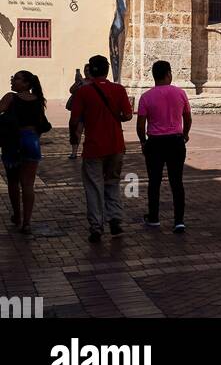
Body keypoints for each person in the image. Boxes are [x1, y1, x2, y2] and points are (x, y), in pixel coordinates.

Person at [68, 54, 133, 242]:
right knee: (113, 183)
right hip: (116, 145)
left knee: (94, 187)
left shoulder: (83, 92)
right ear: (106, 70)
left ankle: (96, 226)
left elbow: (74, 120)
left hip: (94, 147)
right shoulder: (118, 89)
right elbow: (127, 115)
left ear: (91, 70)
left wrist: (74, 137)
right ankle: (115, 220)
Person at [136, 60, 192, 233]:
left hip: (155, 142)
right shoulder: (180, 93)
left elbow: (140, 125)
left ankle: (154, 217)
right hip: (175, 141)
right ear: (168, 73)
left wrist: (143, 142)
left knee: (154, 181)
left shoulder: (146, 97)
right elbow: (188, 117)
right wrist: (184, 134)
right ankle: (179, 221)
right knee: (177, 182)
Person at [0, 72, 51, 235]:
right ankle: (27, 222)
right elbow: (41, 123)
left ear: (26, 83)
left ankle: (17, 215)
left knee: (13, 182)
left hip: (13, 141)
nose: (12, 80)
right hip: (32, 140)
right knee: (28, 184)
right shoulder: (38, 100)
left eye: (16, 78)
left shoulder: (10, 98)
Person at [65, 64, 91, 160]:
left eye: (88, 70)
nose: (86, 72)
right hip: (79, 110)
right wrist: (77, 82)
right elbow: (71, 90)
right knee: (76, 132)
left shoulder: (93, 82)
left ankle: (87, 151)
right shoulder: (80, 81)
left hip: (90, 111)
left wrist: (82, 81)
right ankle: (74, 152)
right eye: (85, 70)